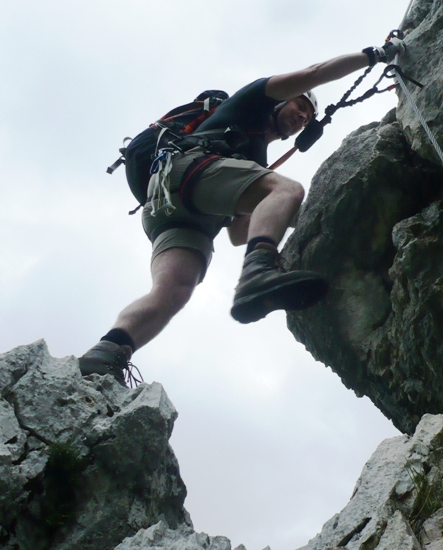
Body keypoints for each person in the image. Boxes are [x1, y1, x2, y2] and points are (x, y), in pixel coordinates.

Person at [78, 41, 404, 385]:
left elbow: (236, 235)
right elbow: (315, 73)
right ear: (281, 101)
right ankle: (258, 272)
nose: (302, 117)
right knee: (287, 190)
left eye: (307, 117)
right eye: (299, 105)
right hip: (187, 172)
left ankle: (105, 354)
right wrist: (375, 55)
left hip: (169, 208)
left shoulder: (251, 162)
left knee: (173, 291)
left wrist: (299, 218)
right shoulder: (248, 103)